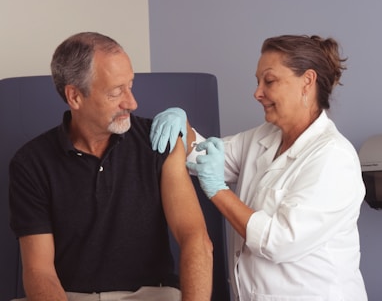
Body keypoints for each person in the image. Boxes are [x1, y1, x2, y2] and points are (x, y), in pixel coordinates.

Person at [150, 35, 368, 300]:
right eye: (257, 81)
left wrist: (218, 191)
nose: (257, 93)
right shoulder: (263, 137)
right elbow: (205, 155)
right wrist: (183, 127)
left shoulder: (333, 158)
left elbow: (278, 242)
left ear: (307, 82)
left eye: (270, 81)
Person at [9, 32, 213, 301]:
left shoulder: (158, 141)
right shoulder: (31, 162)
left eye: (130, 85)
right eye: (116, 91)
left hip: (151, 294)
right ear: (75, 97)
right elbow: (39, 272)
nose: (132, 102)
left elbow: (195, 239)